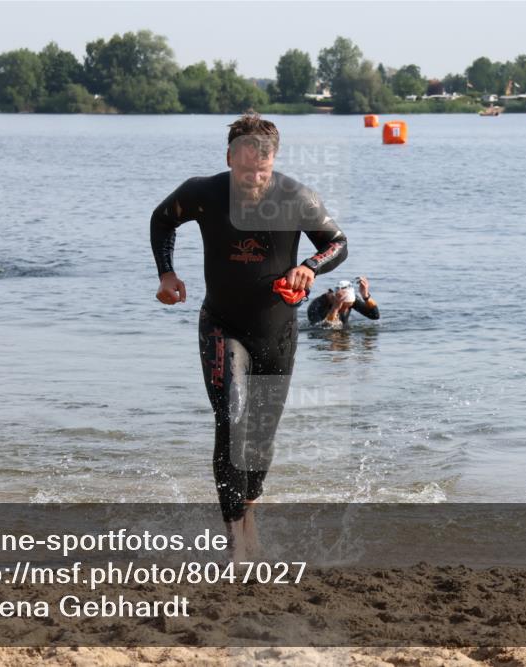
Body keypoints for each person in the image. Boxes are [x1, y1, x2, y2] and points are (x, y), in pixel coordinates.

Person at [150, 111, 348, 560]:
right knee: (231, 419)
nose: (252, 179)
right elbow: (162, 219)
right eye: (243, 170)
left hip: (277, 332)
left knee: (259, 439)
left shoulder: (297, 197)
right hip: (222, 324)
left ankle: (249, 510)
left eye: (261, 171)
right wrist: (166, 273)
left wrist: (308, 267)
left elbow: (337, 243)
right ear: (229, 159)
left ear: (273, 162)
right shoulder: (202, 193)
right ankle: (235, 540)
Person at [307, 277, 380, 327]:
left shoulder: (351, 300)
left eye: (349, 306)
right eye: (343, 306)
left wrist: (366, 296)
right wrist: (335, 309)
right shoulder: (316, 306)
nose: (346, 309)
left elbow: (375, 316)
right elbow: (324, 329)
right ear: (334, 298)